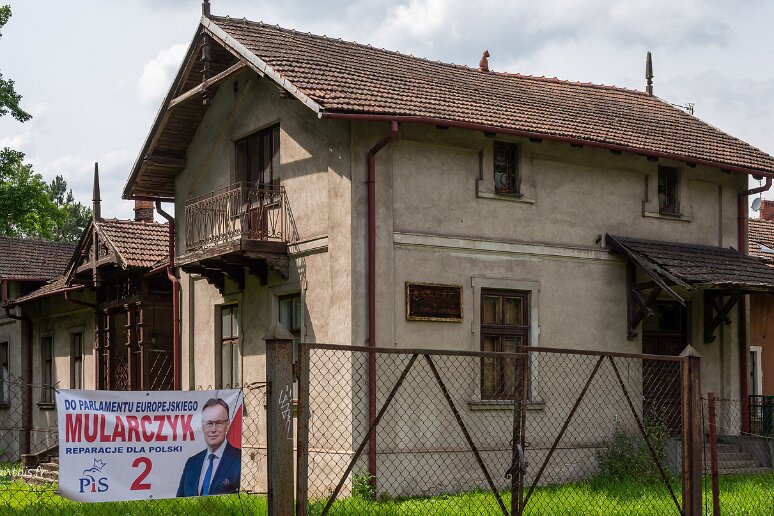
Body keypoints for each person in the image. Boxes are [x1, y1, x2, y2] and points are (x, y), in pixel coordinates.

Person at [177, 398, 241, 497]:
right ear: (203, 426)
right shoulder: (191, 463)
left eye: (219, 423)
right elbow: (179, 501)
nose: (213, 429)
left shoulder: (239, 460)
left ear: (227, 425)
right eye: (209, 423)